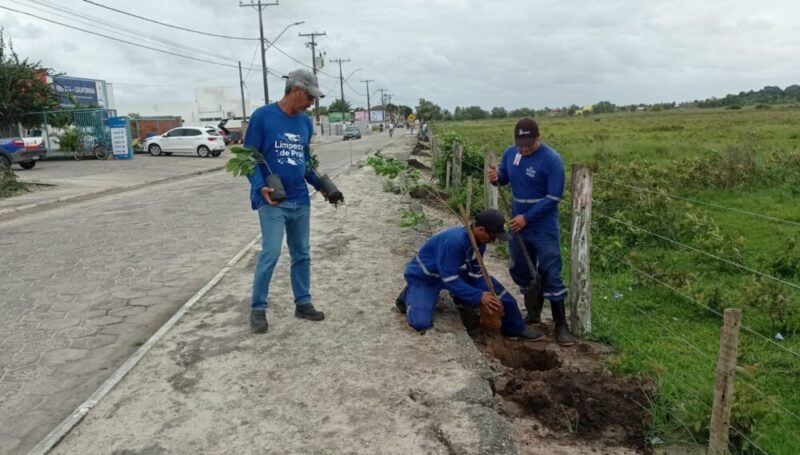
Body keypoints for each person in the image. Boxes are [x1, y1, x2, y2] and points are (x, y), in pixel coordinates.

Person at [244, 69, 335, 334]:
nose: (312, 103)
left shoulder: (306, 123)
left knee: (302, 253)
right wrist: (260, 186)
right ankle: (258, 308)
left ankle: (303, 302)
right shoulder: (263, 117)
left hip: (300, 200)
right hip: (272, 200)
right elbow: (250, 158)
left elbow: (305, 164)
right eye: (310, 97)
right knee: (271, 253)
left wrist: (323, 186)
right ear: (296, 91)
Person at [487, 118, 576, 346]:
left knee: (550, 270)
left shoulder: (551, 160)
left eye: (528, 144)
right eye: (520, 144)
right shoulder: (510, 153)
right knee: (520, 267)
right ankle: (534, 312)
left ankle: (561, 326)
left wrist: (527, 217)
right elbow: (505, 178)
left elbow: (554, 197)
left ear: (538, 137)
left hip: (542, 225)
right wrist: (497, 178)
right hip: (518, 224)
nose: (524, 149)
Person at [395, 209, 545, 340]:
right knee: (420, 323)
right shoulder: (453, 242)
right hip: (427, 277)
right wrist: (478, 296)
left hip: (452, 272)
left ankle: (515, 328)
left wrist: (486, 292)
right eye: (492, 236)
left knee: (497, 290)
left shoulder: (479, 243)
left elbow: (476, 274)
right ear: (480, 229)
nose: (493, 240)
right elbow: (449, 279)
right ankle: (408, 294)